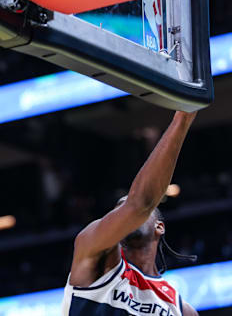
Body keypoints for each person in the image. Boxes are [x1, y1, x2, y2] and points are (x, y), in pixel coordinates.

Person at [63, 111, 199, 316]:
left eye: (125, 208)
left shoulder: (182, 310)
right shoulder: (94, 251)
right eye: (118, 210)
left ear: (159, 227)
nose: (124, 213)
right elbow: (139, 204)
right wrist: (182, 119)